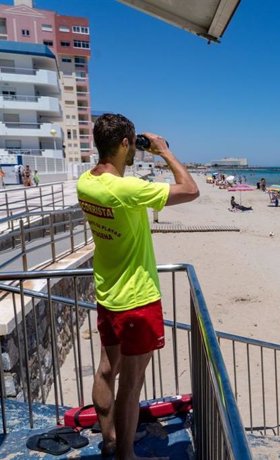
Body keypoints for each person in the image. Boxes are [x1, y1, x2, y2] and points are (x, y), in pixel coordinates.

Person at [77, 113, 199, 459]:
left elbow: (115, 179)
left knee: (106, 370)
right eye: (133, 146)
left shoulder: (86, 182)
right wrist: (163, 152)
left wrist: (131, 154)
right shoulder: (127, 190)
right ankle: (125, 455)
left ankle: (111, 438)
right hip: (136, 299)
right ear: (125, 145)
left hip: (107, 292)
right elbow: (191, 189)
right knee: (131, 386)